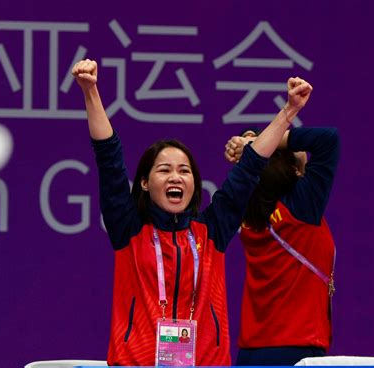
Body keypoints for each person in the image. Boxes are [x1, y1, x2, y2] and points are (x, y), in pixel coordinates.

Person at [72, 57, 313, 366]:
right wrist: (90, 92)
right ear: (145, 182)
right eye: (165, 170)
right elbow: (109, 159)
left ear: (194, 183)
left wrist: (289, 111)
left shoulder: (212, 230)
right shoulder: (128, 228)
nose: (176, 177)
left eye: (184, 170)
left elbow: (250, 167)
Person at [224, 121, 340, 365]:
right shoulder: (302, 204)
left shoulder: (249, 211)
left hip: (250, 352)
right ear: (294, 168)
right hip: (296, 351)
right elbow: (327, 138)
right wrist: (257, 145)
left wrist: (251, 148)